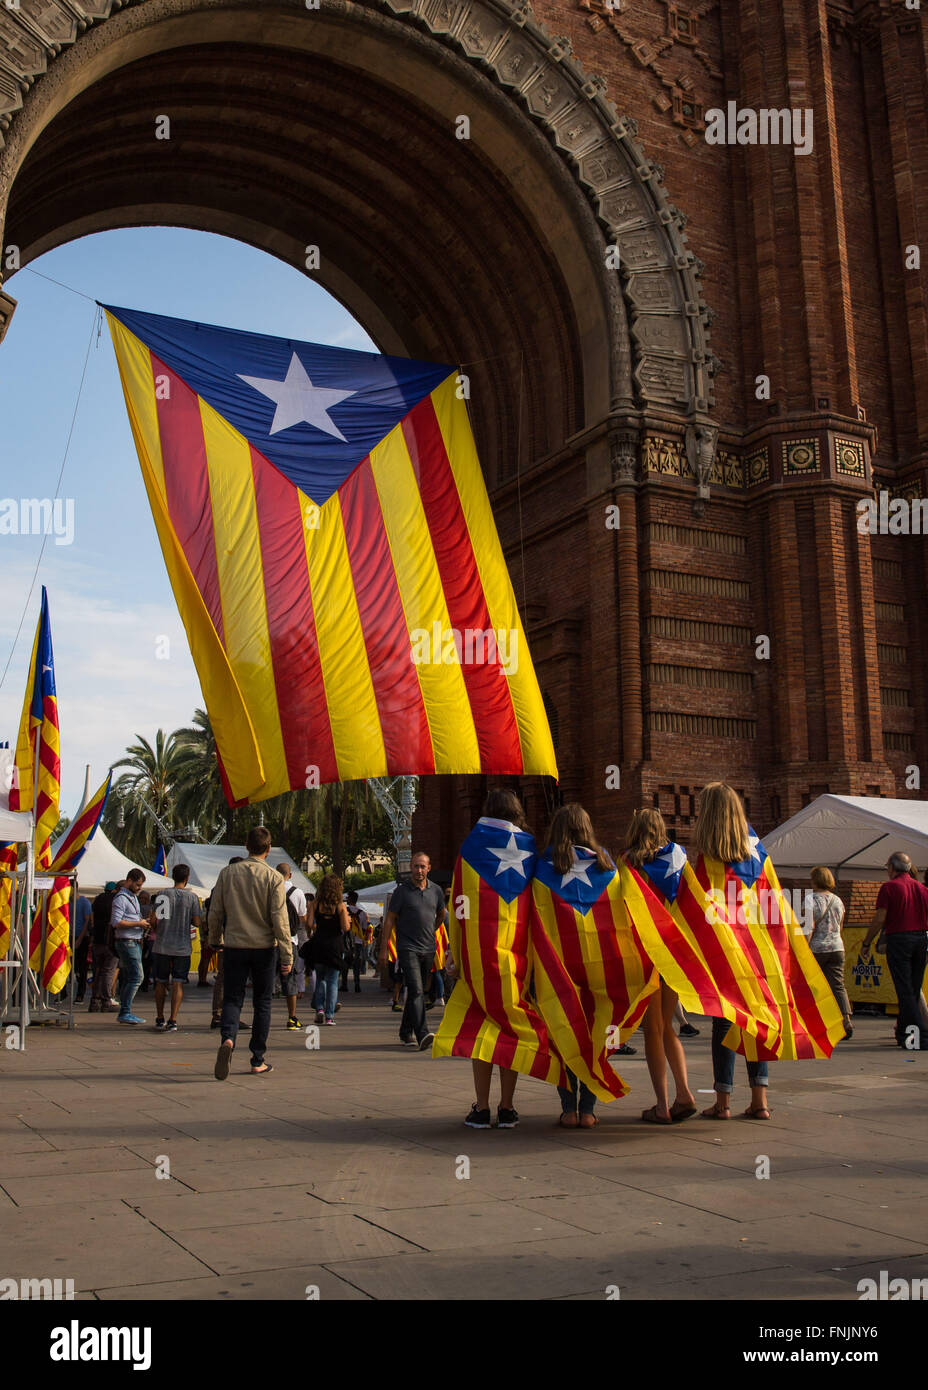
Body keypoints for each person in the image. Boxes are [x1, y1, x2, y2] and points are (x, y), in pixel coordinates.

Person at [433, 789, 559, 1128]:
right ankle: (507, 1107)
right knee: (511, 1029)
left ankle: (481, 1106)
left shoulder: (470, 848)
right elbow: (540, 908)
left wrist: (455, 955)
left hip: (479, 959)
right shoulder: (532, 851)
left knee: (480, 1031)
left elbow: (458, 908)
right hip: (516, 959)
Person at [531, 803, 655, 1129]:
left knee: (563, 1033)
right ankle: (588, 1110)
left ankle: (568, 1109)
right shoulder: (606, 866)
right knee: (596, 1036)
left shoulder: (542, 867)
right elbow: (626, 915)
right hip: (602, 969)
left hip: (559, 971)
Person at [692, 785, 772, 1120]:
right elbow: (771, 899)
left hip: (724, 951)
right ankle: (760, 1100)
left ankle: (723, 1102)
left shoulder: (708, 856)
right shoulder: (758, 853)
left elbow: (696, 907)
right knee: (758, 1020)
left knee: (724, 1022)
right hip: (758, 946)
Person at [623, 808, 697, 1125]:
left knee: (652, 1030)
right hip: (675, 954)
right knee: (668, 1027)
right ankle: (685, 1094)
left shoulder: (629, 863)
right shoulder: (680, 859)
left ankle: (663, 1105)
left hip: (645, 954)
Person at [210, 828, 291, 1077]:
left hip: (234, 945)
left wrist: (215, 939)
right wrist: (287, 955)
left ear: (246, 845)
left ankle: (228, 1039)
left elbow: (215, 911)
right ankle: (257, 1059)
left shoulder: (228, 873)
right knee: (262, 1003)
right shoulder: (274, 878)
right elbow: (280, 919)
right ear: (268, 849)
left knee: (233, 998)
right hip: (264, 948)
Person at [378, 851, 445, 1052]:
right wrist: (383, 949)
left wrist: (432, 929)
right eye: (415, 866)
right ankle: (422, 1033)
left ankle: (406, 1030)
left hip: (428, 947)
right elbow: (389, 919)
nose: (418, 870)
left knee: (420, 989)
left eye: (422, 866)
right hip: (407, 947)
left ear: (429, 868)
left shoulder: (436, 891)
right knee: (415, 989)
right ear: (411, 868)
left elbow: (441, 914)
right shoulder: (402, 892)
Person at [863, 852, 928, 1051]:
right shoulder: (922, 889)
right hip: (922, 939)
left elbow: (880, 918)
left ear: (892, 868)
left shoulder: (889, 887)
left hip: (900, 939)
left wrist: (867, 942)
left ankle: (920, 1037)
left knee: (905, 990)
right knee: (913, 990)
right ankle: (904, 1034)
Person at [151, 864, 201, 1032]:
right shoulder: (192, 898)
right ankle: (173, 1019)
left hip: (162, 945)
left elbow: (154, 920)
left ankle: (159, 1017)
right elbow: (197, 922)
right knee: (178, 983)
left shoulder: (162, 894)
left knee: (160, 981)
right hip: (182, 946)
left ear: (173, 876)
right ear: (187, 878)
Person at [808, 866, 853, 1040]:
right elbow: (840, 926)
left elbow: (809, 927)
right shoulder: (838, 901)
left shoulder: (811, 900)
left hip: (817, 949)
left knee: (814, 986)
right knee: (838, 985)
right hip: (837, 947)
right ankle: (846, 1020)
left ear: (815, 880)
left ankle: (818, 1023)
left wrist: (804, 946)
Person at [304, 875, 351, 1024]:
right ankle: (330, 1016)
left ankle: (319, 1008)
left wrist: (312, 931)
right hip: (335, 945)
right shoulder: (340, 905)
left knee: (320, 979)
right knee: (332, 981)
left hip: (319, 943)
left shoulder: (315, 903)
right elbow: (345, 927)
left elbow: (309, 923)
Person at [210, 855, 244, 1029]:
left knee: (226, 979)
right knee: (227, 979)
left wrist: (214, 939)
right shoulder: (235, 888)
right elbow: (216, 914)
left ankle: (222, 1015)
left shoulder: (220, 886)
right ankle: (223, 1015)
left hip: (229, 939)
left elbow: (213, 915)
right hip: (234, 939)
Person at [110, 868, 147, 1024]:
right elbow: (116, 922)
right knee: (138, 976)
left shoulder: (132, 897)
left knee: (130, 976)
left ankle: (126, 1010)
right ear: (129, 880)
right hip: (126, 941)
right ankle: (125, 1011)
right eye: (137, 884)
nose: (139, 888)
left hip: (133, 940)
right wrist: (138, 923)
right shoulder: (121, 898)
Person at [276, 862, 307, 1029]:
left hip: (272, 941)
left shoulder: (270, 889)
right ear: (291, 875)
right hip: (291, 941)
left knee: (267, 979)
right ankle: (292, 1017)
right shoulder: (298, 893)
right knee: (290, 978)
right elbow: (302, 917)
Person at [88, 881, 120, 1012]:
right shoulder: (115, 900)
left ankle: (95, 1001)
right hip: (110, 940)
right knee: (108, 971)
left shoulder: (97, 900)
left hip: (97, 939)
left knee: (98, 971)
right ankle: (106, 1000)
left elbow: (92, 918)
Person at [345, 890, 370, 992]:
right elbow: (365, 928)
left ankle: (344, 984)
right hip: (358, 941)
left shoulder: (344, 911)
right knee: (356, 963)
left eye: (347, 898)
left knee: (345, 962)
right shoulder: (362, 913)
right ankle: (357, 983)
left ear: (350, 899)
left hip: (346, 940)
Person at [72, 885, 93, 1002]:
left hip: (82, 936)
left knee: (81, 967)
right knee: (70, 966)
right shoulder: (65, 902)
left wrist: (80, 939)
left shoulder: (84, 902)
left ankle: (80, 993)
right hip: (69, 935)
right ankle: (64, 991)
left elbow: (87, 921)